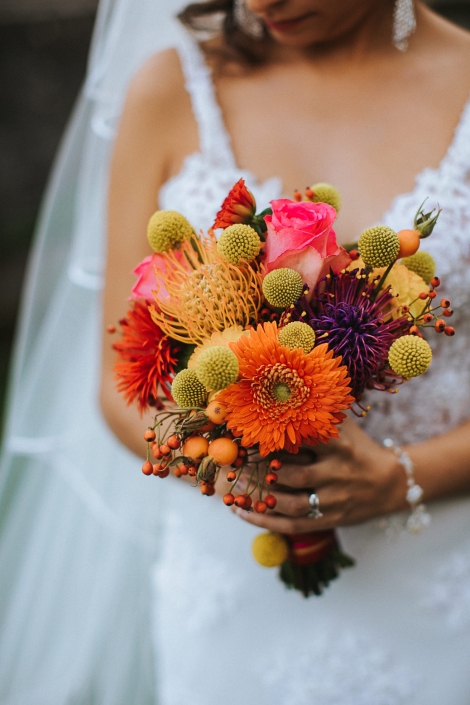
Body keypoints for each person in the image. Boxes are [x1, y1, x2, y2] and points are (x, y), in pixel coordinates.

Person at [1, 1, 469, 704]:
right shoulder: (170, 88)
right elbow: (115, 379)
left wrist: (403, 477)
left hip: (437, 581)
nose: (258, 4)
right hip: (227, 599)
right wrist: (223, 461)